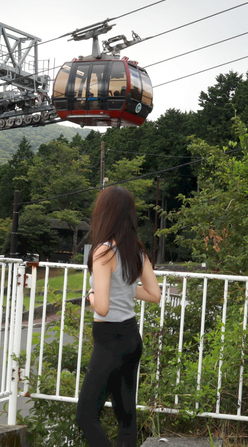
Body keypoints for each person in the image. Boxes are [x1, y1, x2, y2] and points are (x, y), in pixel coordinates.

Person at [75, 186, 162, 447]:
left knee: (86, 416)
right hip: (131, 338)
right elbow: (154, 294)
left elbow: (101, 307)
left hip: (109, 340)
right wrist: (122, 290)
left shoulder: (103, 252)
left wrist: (90, 294)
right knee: (126, 417)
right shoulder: (136, 250)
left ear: (105, 213)